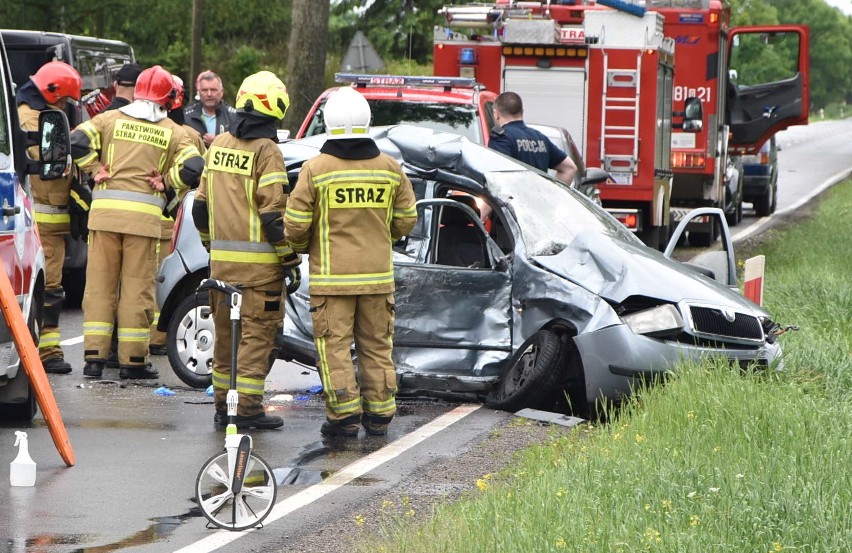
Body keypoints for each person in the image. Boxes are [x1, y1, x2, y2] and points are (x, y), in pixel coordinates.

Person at [285, 87, 417, 438]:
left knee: (335, 348)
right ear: (366, 122)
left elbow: (296, 224)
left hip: (332, 281)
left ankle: (344, 417)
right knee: (377, 346)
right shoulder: (390, 168)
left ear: (328, 123)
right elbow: (406, 219)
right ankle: (380, 416)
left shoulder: (316, 169)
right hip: (377, 280)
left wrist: (301, 247)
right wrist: (381, 238)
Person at [70, 65, 204, 380]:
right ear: (168, 97)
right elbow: (195, 167)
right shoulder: (173, 130)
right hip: (143, 225)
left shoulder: (108, 120)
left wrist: (93, 169)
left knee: (100, 288)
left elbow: (76, 140)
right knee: (136, 290)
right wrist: (167, 181)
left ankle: (94, 359)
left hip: (103, 219)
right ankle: (132, 361)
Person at [192, 71, 300, 430]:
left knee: (225, 341)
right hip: (260, 275)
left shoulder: (219, 143)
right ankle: (249, 409)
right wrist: (289, 258)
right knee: (256, 339)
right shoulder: (267, 151)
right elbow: (273, 216)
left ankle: (223, 407)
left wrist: (212, 248)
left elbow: (199, 208)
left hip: (221, 271)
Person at [16, 61, 83, 374]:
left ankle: (44, 349)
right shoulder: (32, 118)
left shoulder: (37, 113)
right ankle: (47, 352)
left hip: (48, 222)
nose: (67, 106)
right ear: (55, 94)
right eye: (66, 101)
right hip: (43, 221)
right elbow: (39, 155)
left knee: (47, 289)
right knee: (48, 289)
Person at [147, 75, 206, 356]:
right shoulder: (188, 134)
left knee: (141, 281)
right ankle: (158, 337)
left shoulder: (141, 128)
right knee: (164, 279)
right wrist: (171, 184)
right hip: (175, 219)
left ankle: (130, 343)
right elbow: (200, 173)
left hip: (145, 215)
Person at [489, 91, 577, 184]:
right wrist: (551, 194)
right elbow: (569, 168)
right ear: (522, 112)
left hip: (515, 197)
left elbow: (497, 177)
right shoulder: (540, 138)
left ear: (496, 114)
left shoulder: (501, 138)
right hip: (539, 197)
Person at [184, 70, 236, 148]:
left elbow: (240, 145)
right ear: (199, 93)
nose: (209, 94)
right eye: (204, 90)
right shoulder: (187, 116)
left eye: (213, 90)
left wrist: (217, 142)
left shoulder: (234, 116)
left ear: (222, 92)